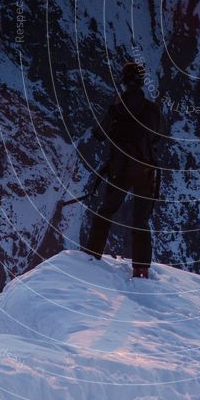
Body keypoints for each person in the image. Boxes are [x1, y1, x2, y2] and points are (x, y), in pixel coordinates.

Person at [82, 62, 161, 278]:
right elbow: (157, 138)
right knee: (140, 219)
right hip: (145, 170)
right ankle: (141, 267)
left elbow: (99, 134)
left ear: (124, 81)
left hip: (120, 169)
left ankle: (92, 253)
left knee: (107, 211)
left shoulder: (116, 109)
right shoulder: (152, 110)